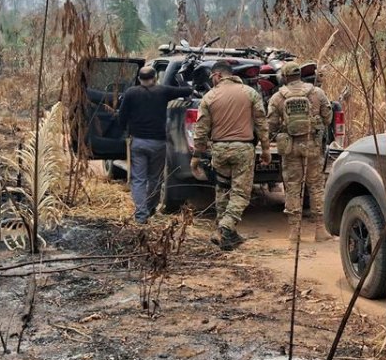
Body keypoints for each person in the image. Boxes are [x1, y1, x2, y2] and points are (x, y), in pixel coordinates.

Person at [191, 60, 270, 251]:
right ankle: (226, 227)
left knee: (223, 189)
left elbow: (201, 130)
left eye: (212, 77)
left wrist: (196, 155)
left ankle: (225, 234)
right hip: (243, 149)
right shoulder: (250, 93)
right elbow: (261, 122)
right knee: (241, 193)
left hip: (219, 149)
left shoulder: (209, 97)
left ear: (218, 75)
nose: (212, 81)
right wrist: (266, 148)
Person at [116, 66, 193, 223]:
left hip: (138, 142)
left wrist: (124, 132)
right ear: (155, 78)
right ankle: (150, 207)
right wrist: (182, 78)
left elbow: (122, 116)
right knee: (155, 178)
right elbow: (187, 91)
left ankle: (141, 215)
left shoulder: (131, 93)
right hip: (158, 143)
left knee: (139, 180)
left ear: (139, 79)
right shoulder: (163, 91)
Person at [268, 61, 334, 241]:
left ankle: (294, 232)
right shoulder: (317, 93)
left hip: (290, 148)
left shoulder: (278, 97)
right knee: (316, 186)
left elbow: (271, 125)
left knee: (292, 187)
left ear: (284, 77)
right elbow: (328, 118)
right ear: (300, 75)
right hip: (312, 146)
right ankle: (320, 230)